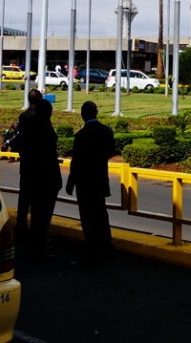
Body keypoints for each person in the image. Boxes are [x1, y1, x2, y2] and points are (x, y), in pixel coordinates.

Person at [66, 101, 116, 265]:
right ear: (96, 113)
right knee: (101, 213)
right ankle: (106, 246)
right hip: (100, 179)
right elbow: (111, 151)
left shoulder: (80, 136)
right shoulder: (107, 131)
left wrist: (70, 183)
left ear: (83, 115)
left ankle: (91, 251)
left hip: (84, 181)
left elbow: (76, 162)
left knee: (87, 217)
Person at [15, 88, 62, 260]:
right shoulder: (44, 129)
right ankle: (38, 245)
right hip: (45, 176)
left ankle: (27, 237)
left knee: (27, 205)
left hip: (28, 170)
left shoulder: (25, 121)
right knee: (42, 212)